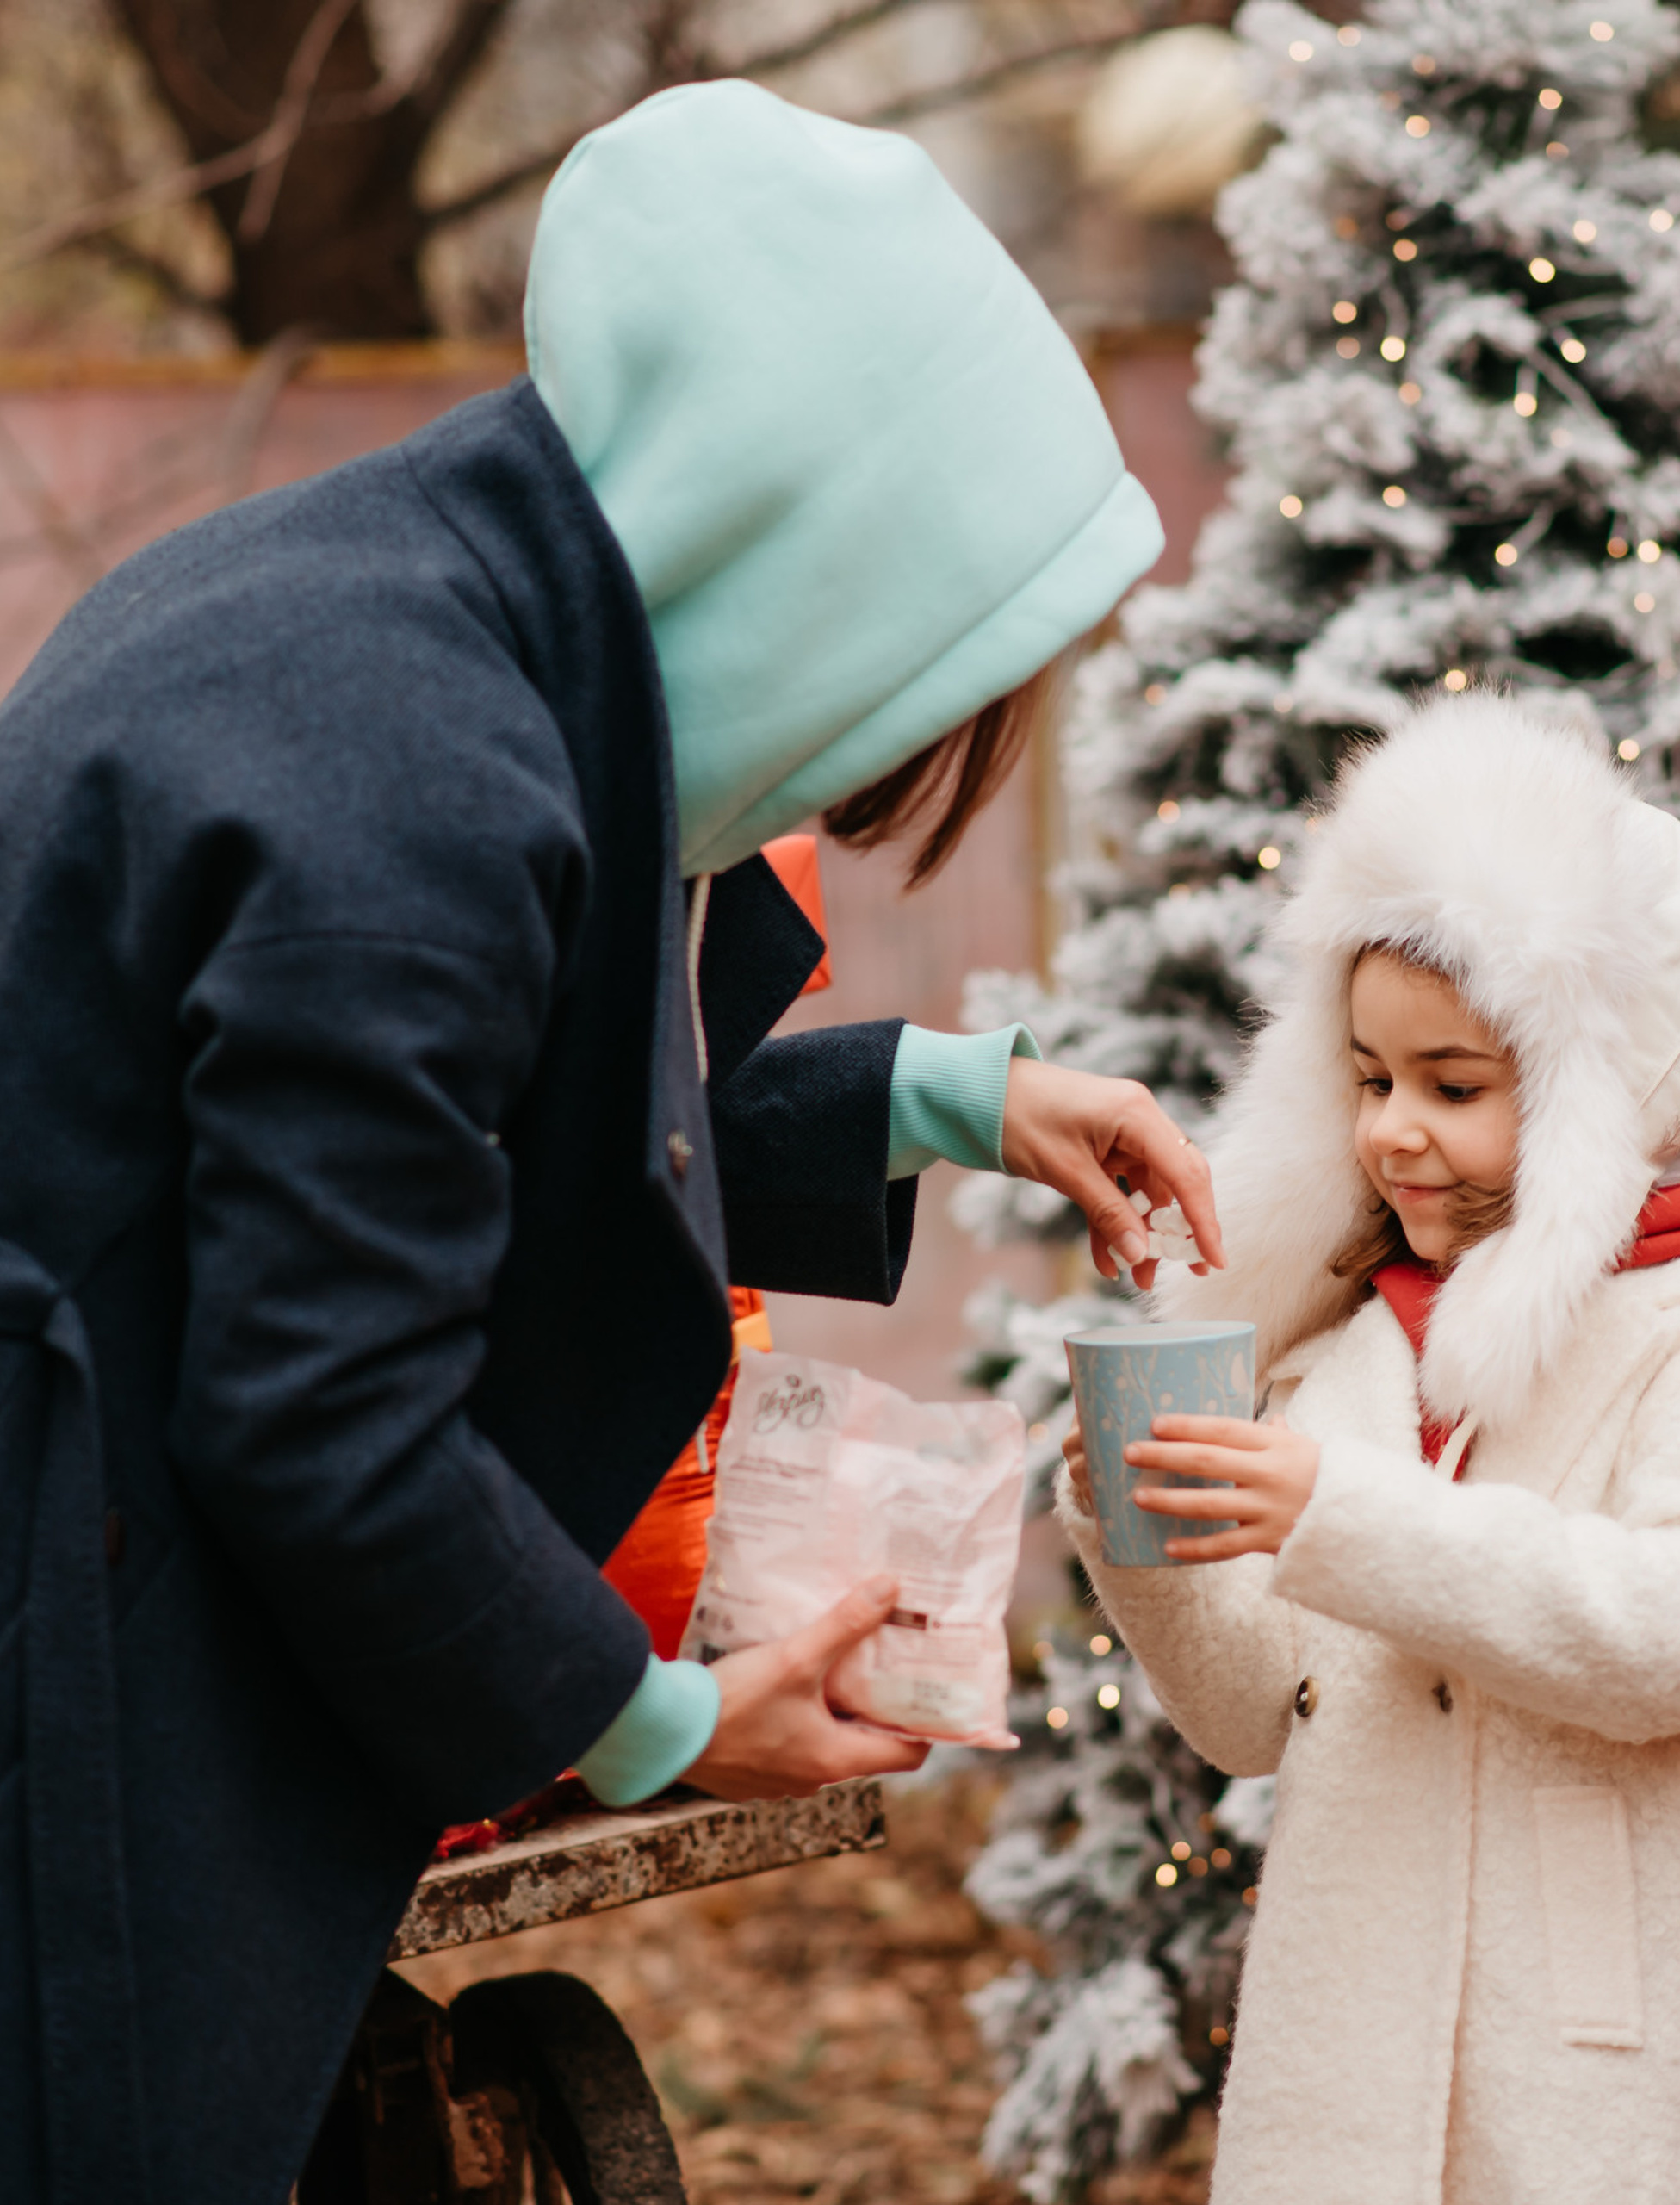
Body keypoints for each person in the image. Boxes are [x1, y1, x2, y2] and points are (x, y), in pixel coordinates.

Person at [0, 82, 1222, 2205]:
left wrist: (949, 1092)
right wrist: (657, 1716)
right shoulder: (413, 783)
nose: (860, 787)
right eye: (899, 702)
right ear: (814, 570)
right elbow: (326, 1421)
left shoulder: (406, 608)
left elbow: (450, 1145)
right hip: (82, 1660)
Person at [1061, 694, 1680, 2205]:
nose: (1393, 1133)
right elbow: (1249, 1713)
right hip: (1348, 2059)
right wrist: (1141, 1529)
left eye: (1456, 1087)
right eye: (1369, 1081)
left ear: (1592, 1100)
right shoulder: (1360, 1348)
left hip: (1600, 2077)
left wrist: (1346, 1518)